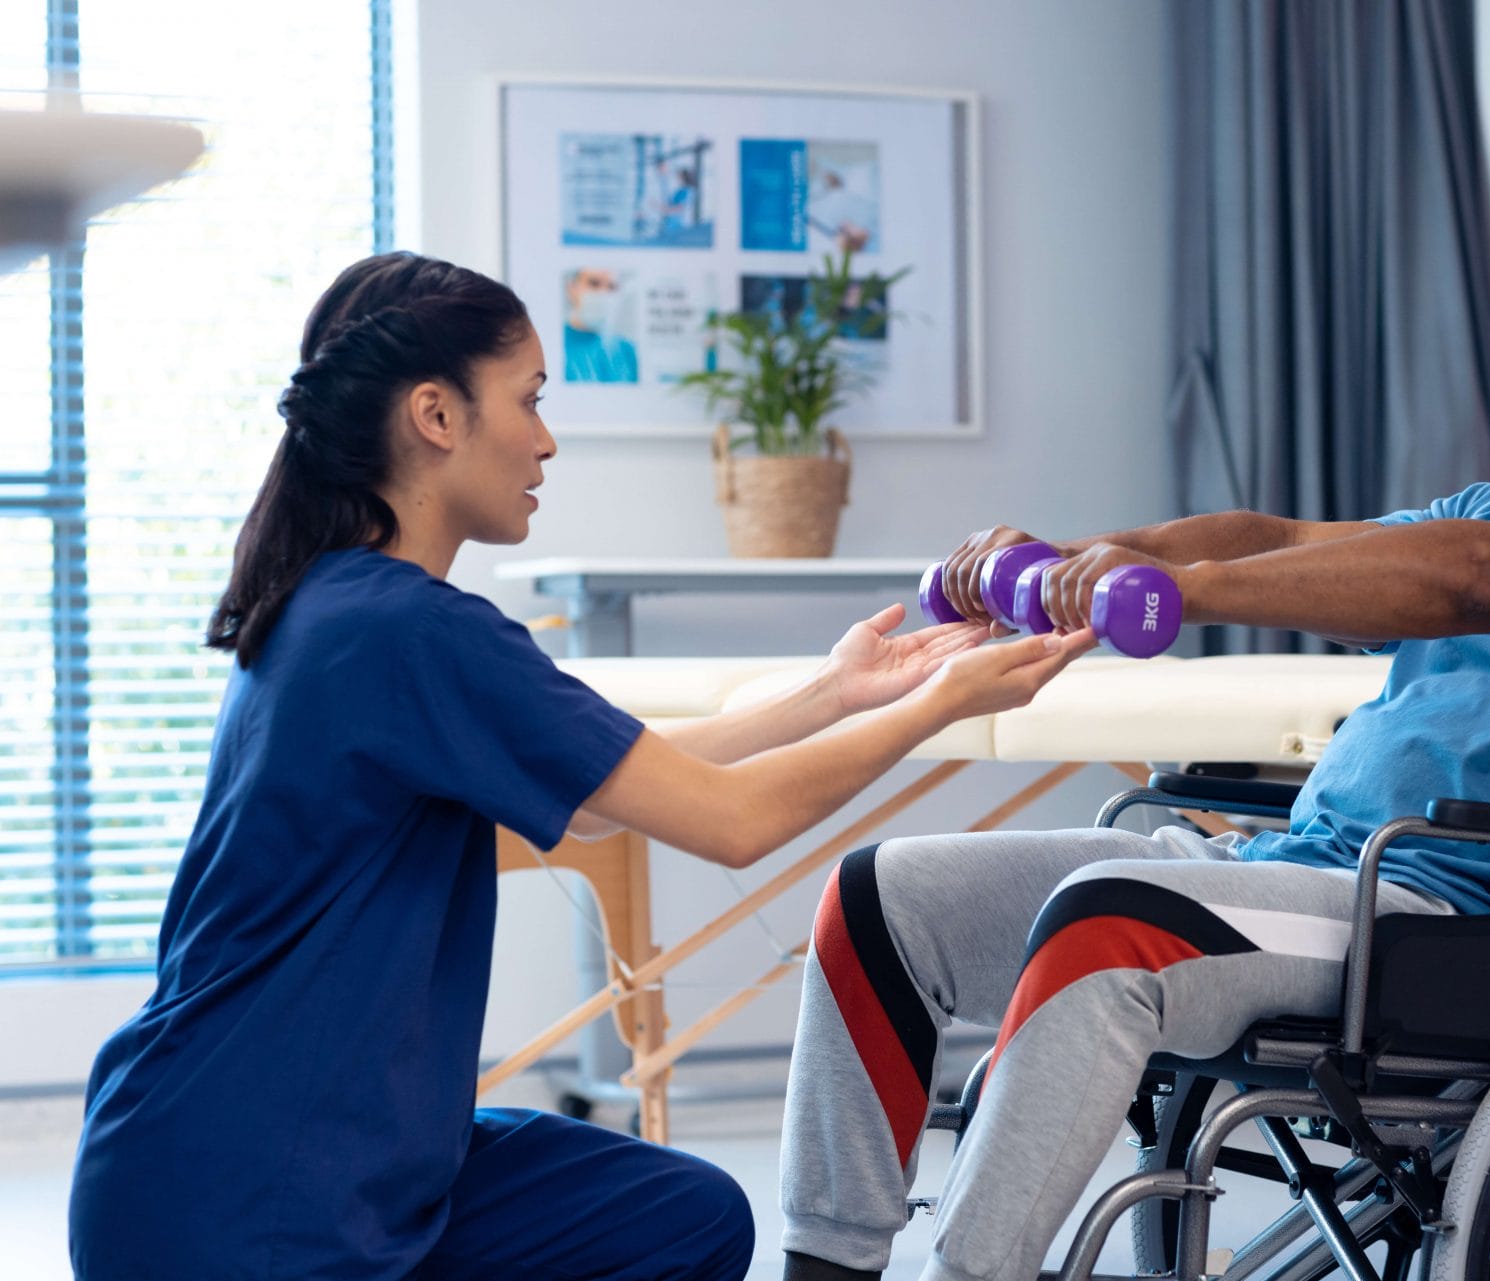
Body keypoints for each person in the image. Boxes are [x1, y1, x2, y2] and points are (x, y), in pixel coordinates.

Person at [776, 222, 1490, 1281]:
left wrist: (1187, 596)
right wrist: (1078, 560)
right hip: (1301, 876)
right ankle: (827, 1264)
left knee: (1109, 930)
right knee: (878, 900)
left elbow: (1477, 580)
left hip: (1458, 926)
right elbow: (1286, 542)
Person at [66, 252, 1095, 1281]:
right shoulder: (407, 631)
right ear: (436, 414)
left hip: (268, 1154)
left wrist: (837, 692)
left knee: (676, 1215)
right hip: (249, 1198)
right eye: (529, 400)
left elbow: (611, 792)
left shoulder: (341, 606)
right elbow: (731, 821)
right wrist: (939, 705)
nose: (546, 439)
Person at [563, 266, 639, 383]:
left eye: (611, 287)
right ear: (572, 288)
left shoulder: (629, 351)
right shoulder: (556, 347)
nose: (603, 293)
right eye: (594, 284)